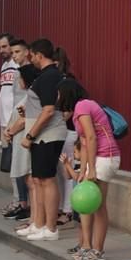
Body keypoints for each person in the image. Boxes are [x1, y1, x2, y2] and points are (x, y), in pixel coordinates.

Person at [57, 79, 120, 260]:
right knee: (89, 205)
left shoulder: (82, 106)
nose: (58, 98)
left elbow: (92, 138)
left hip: (105, 156)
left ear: (67, 93)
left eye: (60, 94)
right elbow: (84, 143)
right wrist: (83, 169)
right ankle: (86, 246)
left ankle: (96, 251)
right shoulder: (80, 109)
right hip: (97, 158)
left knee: (98, 206)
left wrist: (91, 169)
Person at [19, 38, 67, 241]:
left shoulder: (49, 76)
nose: (31, 60)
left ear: (39, 55)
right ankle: (38, 224)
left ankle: (51, 227)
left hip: (47, 136)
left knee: (47, 180)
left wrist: (30, 135)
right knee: (38, 180)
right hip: (40, 137)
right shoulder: (44, 76)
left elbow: (48, 110)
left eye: (31, 55)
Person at [3, 39, 35, 222]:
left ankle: (27, 205)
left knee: (26, 170)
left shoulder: (28, 73)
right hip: (15, 122)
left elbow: (27, 107)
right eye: (12, 52)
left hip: (23, 127)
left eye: (17, 52)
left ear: (27, 52)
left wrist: (12, 128)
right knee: (18, 168)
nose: (14, 55)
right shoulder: (16, 72)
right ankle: (21, 202)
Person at [0, 33, 22, 216]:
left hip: (13, 122)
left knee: (17, 164)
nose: (2, 51)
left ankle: (19, 201)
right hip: (3, 121)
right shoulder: (4, 66)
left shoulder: (17, 65)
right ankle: (17, 199)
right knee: (10, 163)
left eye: (4, 47)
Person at [53, 47, 77, 229]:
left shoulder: (67, 82)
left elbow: (68, 111)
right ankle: (62, 207)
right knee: (61, 173)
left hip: (68, 132)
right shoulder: (59, 81)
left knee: (66, 172)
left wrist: (52, 122)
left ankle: (67, 210)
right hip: (61, 131)